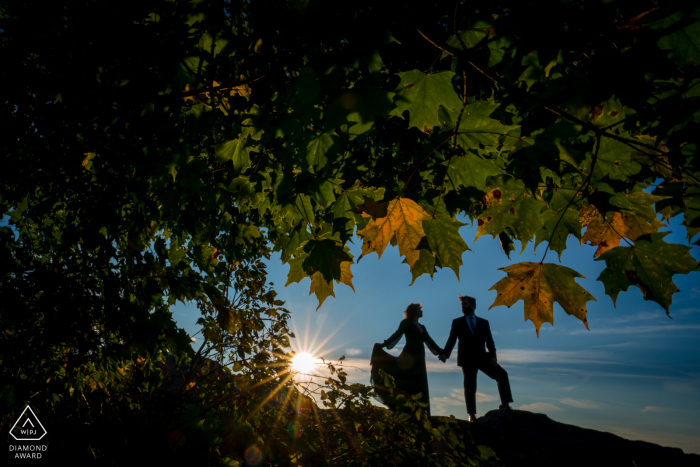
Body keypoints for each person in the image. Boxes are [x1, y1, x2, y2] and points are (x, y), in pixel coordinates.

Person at [439, 294, 513, 422]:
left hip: (483, 357)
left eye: (465, 304)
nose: (462, 307)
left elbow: (490, 341)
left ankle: (505, 404)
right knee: (470, 385)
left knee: (502, 374)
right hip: (466, 359)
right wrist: (445, 354)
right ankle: (471, 414)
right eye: (462, 305)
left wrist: (493, 356)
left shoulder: (484, 323)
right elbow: (451, 339)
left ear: (473, 306)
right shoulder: (457, 322)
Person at [371, 303, 444, 417]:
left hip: (420, 358)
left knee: (419, 382)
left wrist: (441, 352)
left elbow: (430, 341)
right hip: (408, 356)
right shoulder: (406, 323)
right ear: (414, 311)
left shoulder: (422, 327)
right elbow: (397, 334)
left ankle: (420, 412)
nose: (422, 311)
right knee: (406, 379)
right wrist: (384, 344)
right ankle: (405, 409)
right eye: (420, 309)